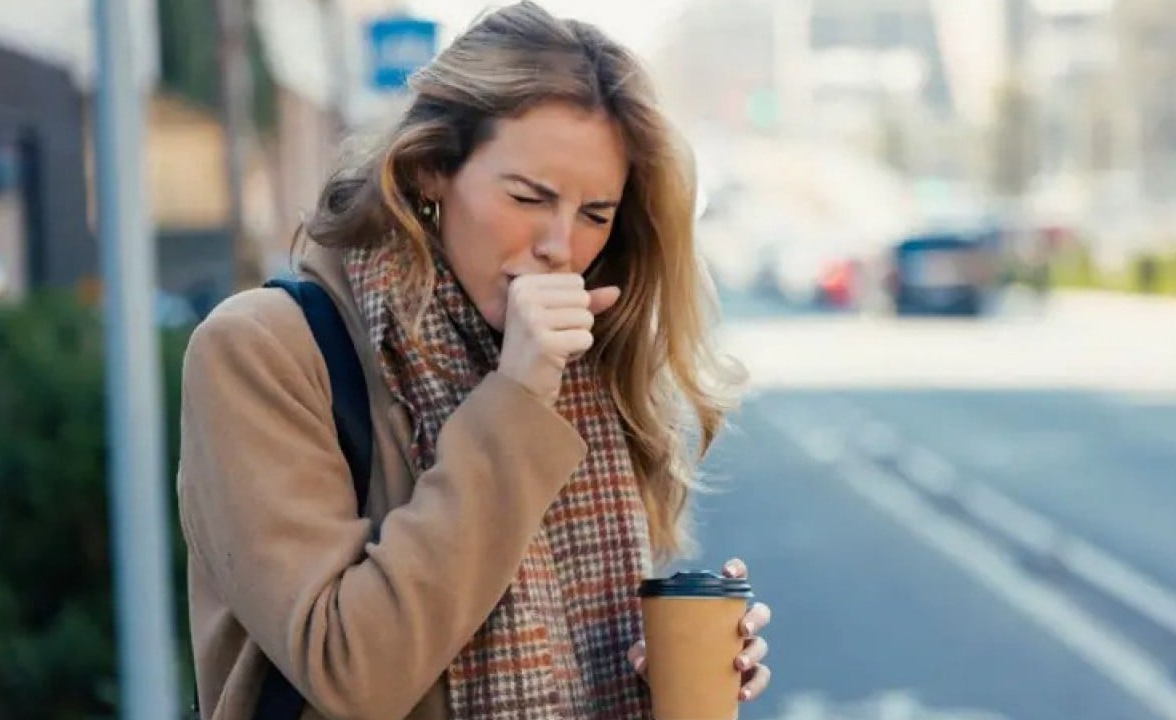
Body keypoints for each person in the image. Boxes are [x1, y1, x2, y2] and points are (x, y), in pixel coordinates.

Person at [177, 3, 771, 718]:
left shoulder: (580, 370)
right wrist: (516, 397)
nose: (561, 246)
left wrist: (660, 676)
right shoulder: (262, 350)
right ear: (431, 168)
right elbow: (351, 672)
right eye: (528, 197)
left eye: (595, 214)